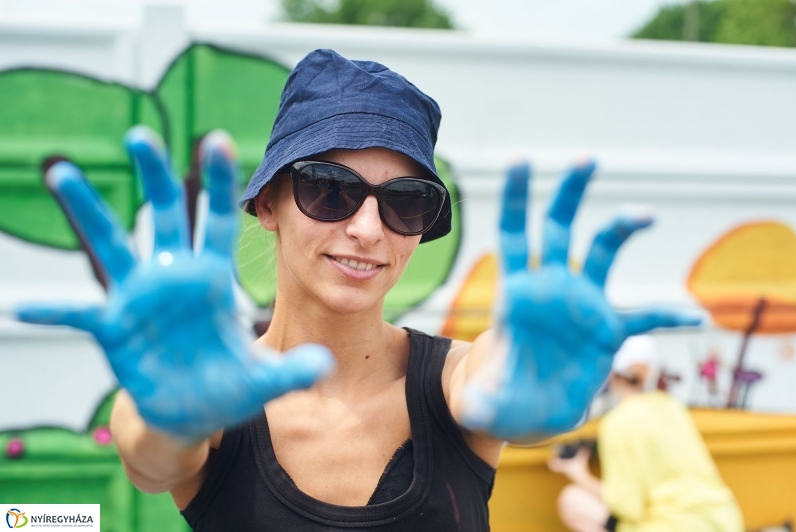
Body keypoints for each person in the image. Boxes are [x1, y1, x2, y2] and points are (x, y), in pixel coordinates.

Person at [16, 49, 699, 530]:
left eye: (405, 202)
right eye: (329, 189)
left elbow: (509, 391)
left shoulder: (461, 383)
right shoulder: (213, 390)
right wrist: (173, 418)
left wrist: (546, 403)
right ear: (267, 206)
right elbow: (151, 452)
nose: (368, 228)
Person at [548, 335, 744, 532]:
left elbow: (627, 506)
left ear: (611, 373)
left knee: (572, 500)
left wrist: (579, 474)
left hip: (674, 526)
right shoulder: (671, 406)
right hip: (724, 519)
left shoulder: (617, 423)